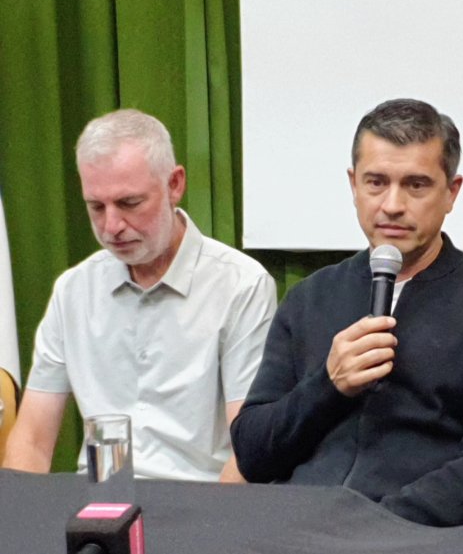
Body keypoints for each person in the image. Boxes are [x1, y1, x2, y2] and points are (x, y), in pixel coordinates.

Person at [231, 98, 463, 526]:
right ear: (353, 184)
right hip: (298, 527)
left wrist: (380, 524)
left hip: (421, 533)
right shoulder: (311, 297)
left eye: (416, 185)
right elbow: (252, 453)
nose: (392, 205)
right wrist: (328, 385)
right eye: (376, 182)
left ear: (451, 193)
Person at [2, 109, 276, 482]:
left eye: (130, 203)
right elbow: (32, 440)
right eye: (96, 207)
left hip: (201, 509)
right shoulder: (74, 290)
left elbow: (248, 450)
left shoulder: (240, 285)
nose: (112, 226)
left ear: (175, 184)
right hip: (98, 508)